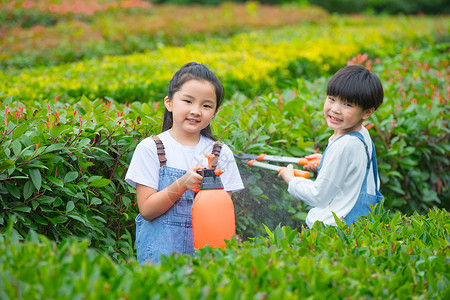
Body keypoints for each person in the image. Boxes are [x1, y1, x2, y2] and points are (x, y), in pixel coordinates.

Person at [126, 62, 244, 264]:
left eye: (206, 105)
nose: (196, 111)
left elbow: (221, 215)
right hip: (160, 262)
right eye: (188, 101)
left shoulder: (221, 153)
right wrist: (182, 184)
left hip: (207, 262)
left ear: (215, 112)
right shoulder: (151, 148)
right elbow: (147, 210)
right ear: (169, 103)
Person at [279, 64, 384, 228]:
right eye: (332, 99)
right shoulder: (362, 135)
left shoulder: (343, 146)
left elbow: (318, 196)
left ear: (367, 112)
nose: (335, 109)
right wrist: (325, 161)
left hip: (334, 230)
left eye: (348, 105)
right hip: (357, 225)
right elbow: (356, 171)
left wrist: (291, 180)